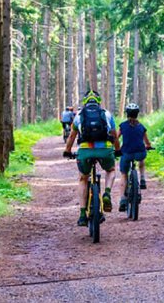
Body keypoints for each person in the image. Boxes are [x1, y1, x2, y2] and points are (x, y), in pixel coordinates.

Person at [63, 90, 120, 226]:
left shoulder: (79, 116)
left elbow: (72, 136)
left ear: (85, 102)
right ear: (99, 102)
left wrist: (67, 151)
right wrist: (118, 150)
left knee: (83, 178)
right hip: (105, 150)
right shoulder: (106, 114)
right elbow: (114, 135)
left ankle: (82, 215)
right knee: (111, 170)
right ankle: (106, 193)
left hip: (85, 151)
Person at [117, 103, 153, 212]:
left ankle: (123, 199)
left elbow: (116, 138)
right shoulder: (141, 127)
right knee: (141, 157)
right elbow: (147, 142)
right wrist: (149, 146)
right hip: (139, 153)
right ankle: (142, 178)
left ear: (127, 113)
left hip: (126, 153)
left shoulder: (122, 126)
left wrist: (116, 149)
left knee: (124, 174)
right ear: (137, 114)